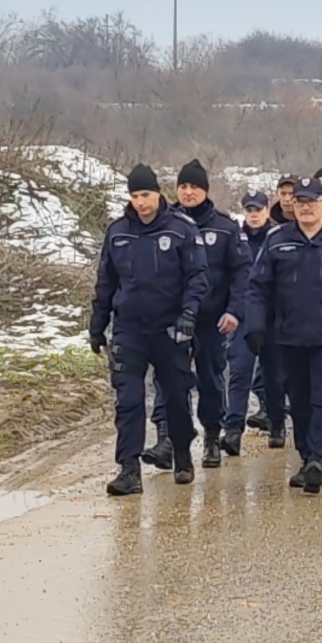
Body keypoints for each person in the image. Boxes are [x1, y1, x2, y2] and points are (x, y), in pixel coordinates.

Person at [246, 178, 322, 495]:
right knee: (299, 402)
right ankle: (306, 457)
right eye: (299, 201)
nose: (305, 207)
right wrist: (255, 326)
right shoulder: (277, 241)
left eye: (311, 201)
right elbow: (258, 288)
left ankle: (318, 457)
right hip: (289, 337)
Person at [89, 164, 209, 495]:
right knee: (128, 399)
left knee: (175, 396)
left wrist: (188, 314)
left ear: (158, 193)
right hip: (129, 329)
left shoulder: (181, 229)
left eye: (146, 194)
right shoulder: (118, 232)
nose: (141, 202)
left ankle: (182, 453)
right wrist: (97, 325)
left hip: (170, 328)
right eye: (135, 195)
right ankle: (128, 469)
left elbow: (197, 276)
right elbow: (106, 281)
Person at [155, 158, 250, 470]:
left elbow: (240, 273)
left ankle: (212, 436)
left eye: (194, 186)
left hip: (211, 317)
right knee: (169, 379)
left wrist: (234, 311)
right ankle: (167, 438)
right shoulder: (162, 223)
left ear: (205, 190)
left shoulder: (224, 227)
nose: (188, 192)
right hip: (172, 317)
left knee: (210, 379)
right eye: (183, 186)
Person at [225, 191, 286, 453]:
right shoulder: (235, 240)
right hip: (242, 316)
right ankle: (233, 430)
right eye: (249, 210)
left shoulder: (278, 239)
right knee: (239, 372)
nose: (253, 215)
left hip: (272, 318)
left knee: (273, 376)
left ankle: (276, 422)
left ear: (266, 211)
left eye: (258, 210)